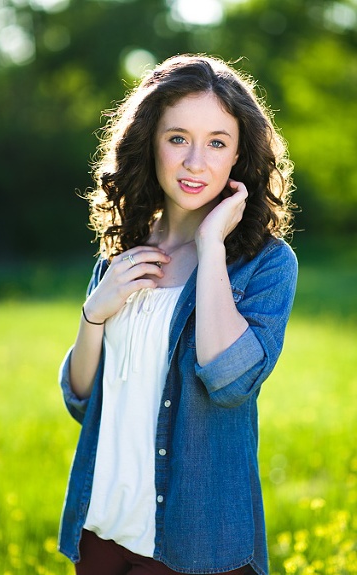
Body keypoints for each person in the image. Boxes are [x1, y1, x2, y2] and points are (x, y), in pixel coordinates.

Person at [57, 55, 297, 575]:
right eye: (177, 138)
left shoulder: (266, 264)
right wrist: (94, 313)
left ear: (238, 155)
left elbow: (229, 380)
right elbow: (83, 399)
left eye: (216, 142)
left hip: (195, 537)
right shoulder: (121, 253)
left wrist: (212, 245)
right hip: (101, 524)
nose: (195, 162)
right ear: (151, 143)